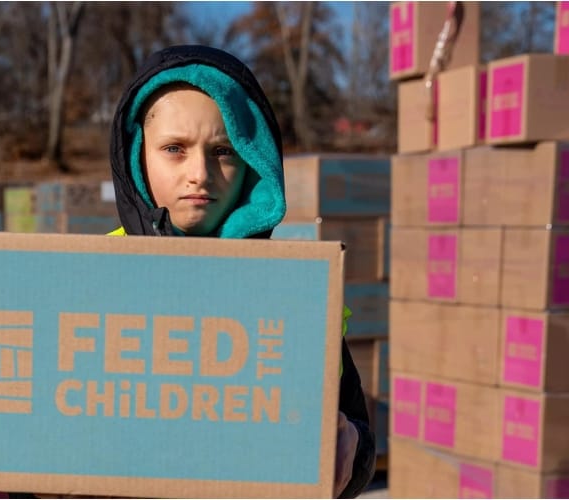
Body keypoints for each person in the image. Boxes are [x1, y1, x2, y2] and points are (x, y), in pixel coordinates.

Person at [106, 44, 376, 498]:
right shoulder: (88, 279)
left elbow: (354, 431)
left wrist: (352, 443)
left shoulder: (297, 289)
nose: (200, 173)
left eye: (223, 151)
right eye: (174, 149)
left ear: (252, 159)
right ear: (139, 156)